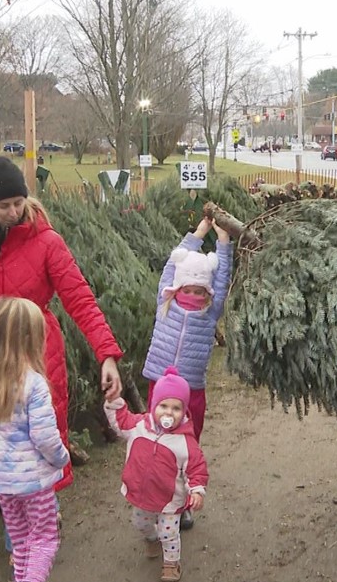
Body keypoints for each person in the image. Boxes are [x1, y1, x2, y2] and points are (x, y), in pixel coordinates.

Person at [0, 156, 123, 551]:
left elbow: (79, 298)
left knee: (41, 437)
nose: (13, 212)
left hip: (38, 355)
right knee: (2, 441)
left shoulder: (47, 241)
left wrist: (107, 354)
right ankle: (19, 528)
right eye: (3, 205)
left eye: (18, 202)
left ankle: (42, 521)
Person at [0, 297, 69, 582]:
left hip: (3, 480)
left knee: (21, 542)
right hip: (35, 482)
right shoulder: (33, 384)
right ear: (30, 340)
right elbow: (44, 436)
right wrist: (61, 458)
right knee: (44, 539)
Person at [141, 216, 231, 529]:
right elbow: (171, 265)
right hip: (159, 387)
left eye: (199, 290)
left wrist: (223, 244)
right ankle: (156, 498)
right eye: (187, 288)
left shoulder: (209, 313)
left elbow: (222, 281)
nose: (193, 295)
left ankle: (182, 503)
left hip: (192, 391)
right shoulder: (165, 301)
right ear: (178, 286)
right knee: (156, 443)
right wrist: (198, 234)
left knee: (186, 447)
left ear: (206, 292)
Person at [105, 367, 208, 582]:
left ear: (184, 411)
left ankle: (171, 564)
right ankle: (151, 539)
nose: (169, 413)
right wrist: (114, 401)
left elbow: (196, 467)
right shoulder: (140, 426)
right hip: (143, 495)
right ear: (153, 405)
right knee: (141, 523)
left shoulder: (185, 442)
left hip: (170, 500)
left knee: (169, 533)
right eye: (163, 406)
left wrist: (196, 490)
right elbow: (121, 421)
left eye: (176, 408)